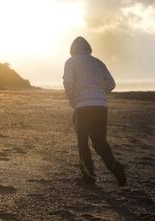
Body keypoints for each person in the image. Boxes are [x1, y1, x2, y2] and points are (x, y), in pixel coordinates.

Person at [63, 36, 126, 186]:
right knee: (99, 142)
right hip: (100, 106)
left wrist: (72, 98)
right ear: (88, 48)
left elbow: (68, 83)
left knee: (82, 142)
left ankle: (89, 175)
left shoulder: (71, 62)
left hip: (82, 106)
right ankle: (114, 166)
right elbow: (111, 83)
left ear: (73, 49)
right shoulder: (98, 62)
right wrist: (100, 93)